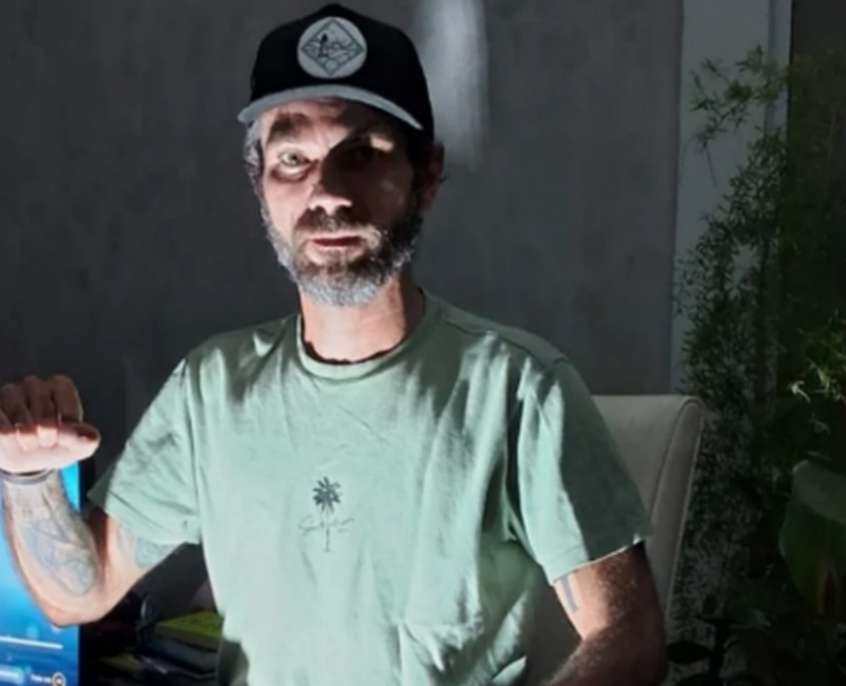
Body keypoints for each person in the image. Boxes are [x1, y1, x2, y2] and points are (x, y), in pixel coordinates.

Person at [0, 4, 666, 685]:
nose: (327, 194)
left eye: (363, 154)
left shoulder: (517, 391)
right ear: (260, 186)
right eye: (293, 159)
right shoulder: (212, 389)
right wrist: (28, 478)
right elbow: (77, 596)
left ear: (427, 176)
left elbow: (630, 636)